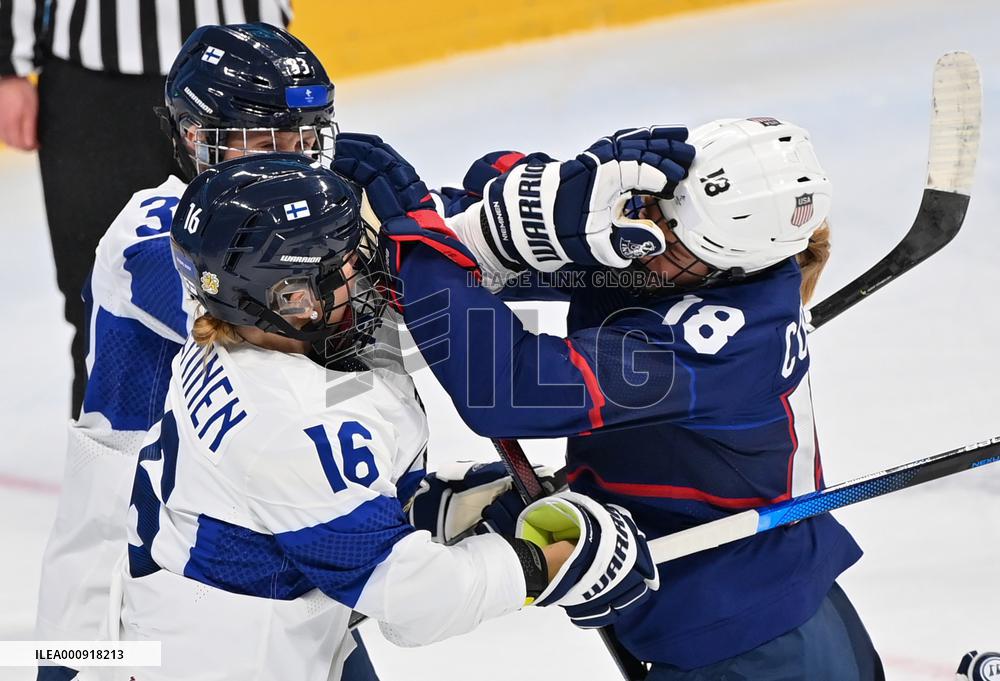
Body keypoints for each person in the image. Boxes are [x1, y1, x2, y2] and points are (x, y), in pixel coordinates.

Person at [333, 120, 885, 680]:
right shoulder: (670, 261)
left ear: (730, 268)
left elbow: (507, 391)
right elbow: (509, 246)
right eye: (653, 211)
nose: (650, 241)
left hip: (758, 643)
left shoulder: (718, 336)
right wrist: (537, 200)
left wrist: (417, 239)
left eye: (677, 244)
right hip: (761, 617)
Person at [113, 152, 658, 681]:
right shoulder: (293, 425)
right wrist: (545, 563)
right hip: (235, 662)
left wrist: (425, 505)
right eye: (341, 264)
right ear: (290, 298)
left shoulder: (246, 334)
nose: (362, 267)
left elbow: (281, 516)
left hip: (209, 624)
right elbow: (409, 598)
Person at [32, 23, 356, 681]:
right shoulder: (151, 234)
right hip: (146, 581)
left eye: (302, 138)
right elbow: (273, 308)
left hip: (273, 558)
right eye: (264, 140)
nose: (290, 161)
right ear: (192, 136)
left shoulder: (299, 230)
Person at [0, 0, 291, 417]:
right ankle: (115, 455)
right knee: (101, 301)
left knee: (282, 291)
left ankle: (282, 449)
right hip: (96, 82)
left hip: (251, 75)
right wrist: (6, 63)